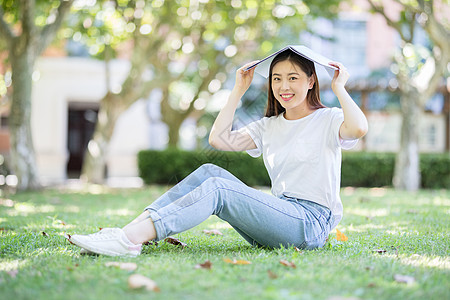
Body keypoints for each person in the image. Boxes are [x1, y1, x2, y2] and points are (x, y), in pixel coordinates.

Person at [68, 47, 368, 257]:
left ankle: (128, 241)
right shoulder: (269, 126)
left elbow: (358, 129)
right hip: (282, 217)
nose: (283, 86)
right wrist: (237, 90)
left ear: (311, 80)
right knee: (211, 172)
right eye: (277, 78)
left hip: (310, 224)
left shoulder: (327, 119)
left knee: (219, 189)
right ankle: (127, 232)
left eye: (293, 78)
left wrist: (340, 87)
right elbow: (219, 140)